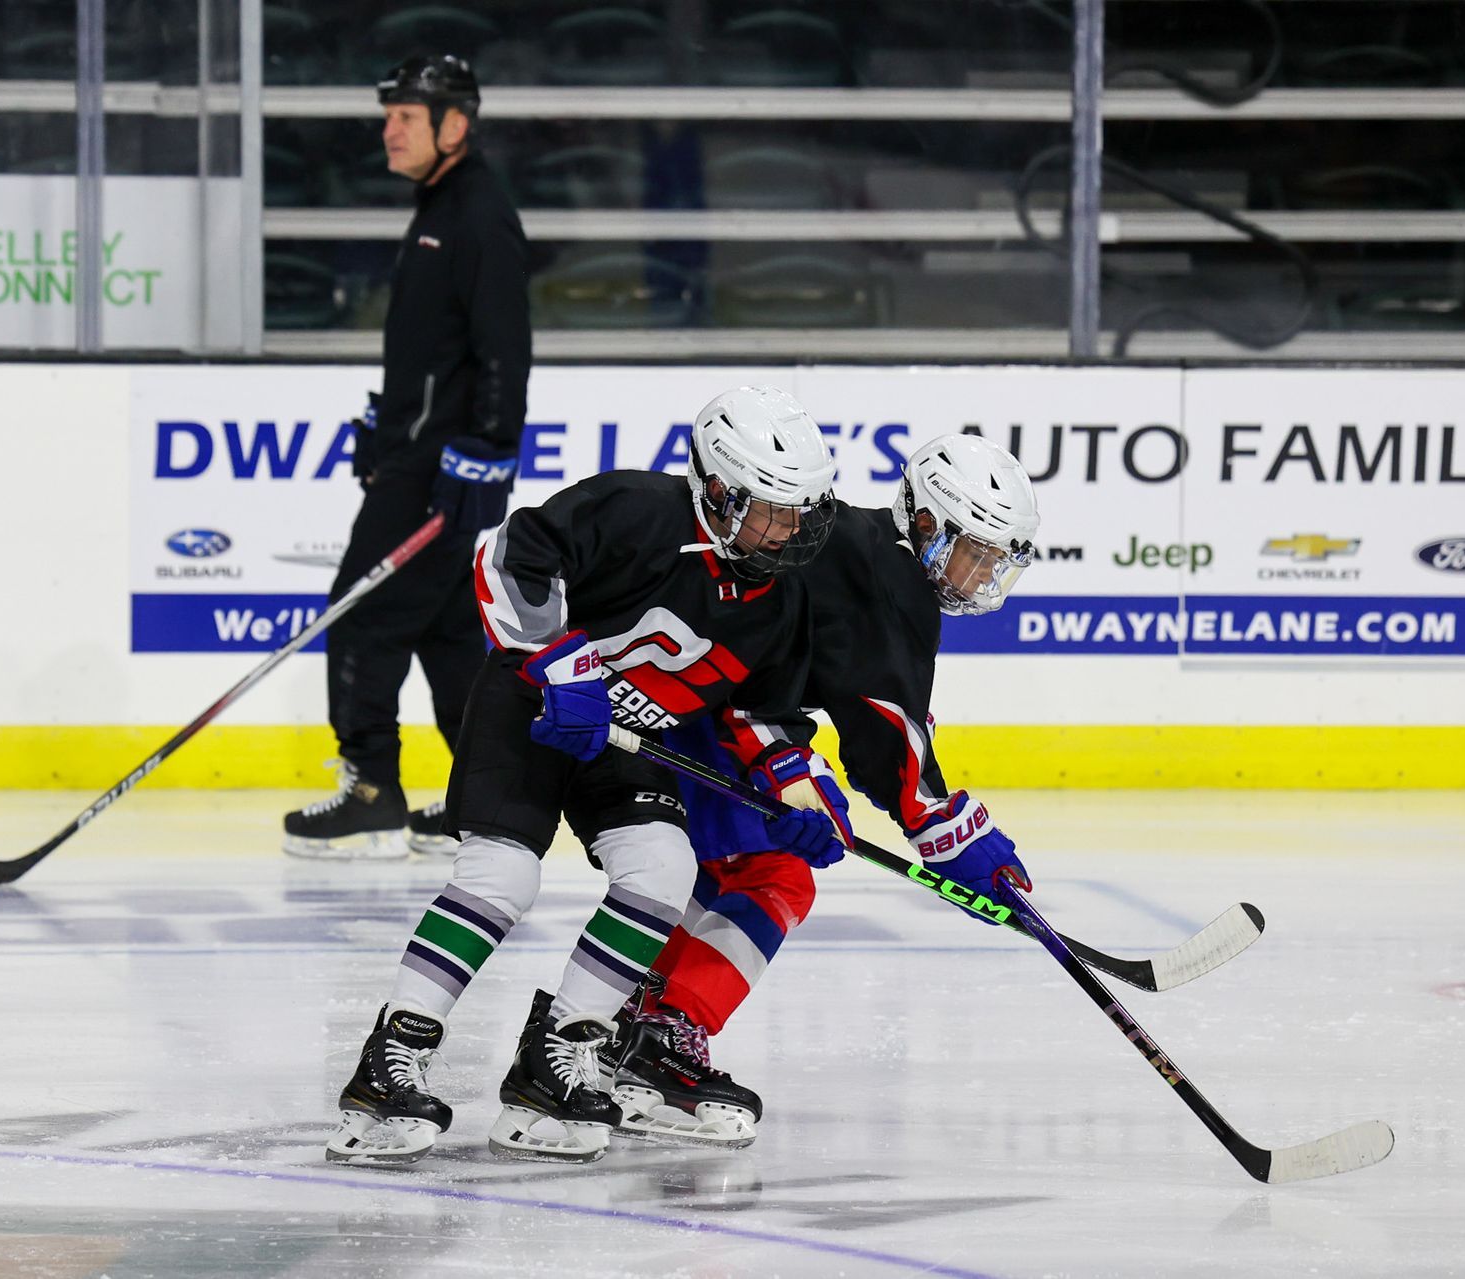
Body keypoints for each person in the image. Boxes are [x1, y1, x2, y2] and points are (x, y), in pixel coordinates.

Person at [324, 387, 853, 1167]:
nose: (785, 529)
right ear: (714, 485)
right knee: (502, 877)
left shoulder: (777, 597)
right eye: (767, 508)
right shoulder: (639, 509)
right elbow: (508, 555)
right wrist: (565, 668)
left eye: (796, 511)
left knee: (664, 869)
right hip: (534, 705)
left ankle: (556, 1059)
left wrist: (794, 793)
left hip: (628, 742)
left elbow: (762, 711)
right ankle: (390, 1059)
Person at [602, 434, 1042, 1148]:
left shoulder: (869, 550)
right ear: (927, 524)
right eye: (978, 550)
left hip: (685, 693)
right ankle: (664, 1036)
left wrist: (920, 807)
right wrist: (946, 830)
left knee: (724, 870)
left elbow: (884, 716)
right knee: (776, 873)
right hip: (707, 706)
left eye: (998, 559)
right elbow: (883, 730)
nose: (986, 571)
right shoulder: (888, 578)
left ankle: (628, 1020)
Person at [283, 54, 531, 861]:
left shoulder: (477, 214)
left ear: (454, 125)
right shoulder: (441, 207)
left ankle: (371, 792)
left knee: (359, 615)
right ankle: (484, 802)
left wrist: (488, 452)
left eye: (406, 116)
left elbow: (504, 349)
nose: (389, 129)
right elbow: (437, 353)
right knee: (451, 634)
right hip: (419, 458)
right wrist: (387, 423)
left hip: (437, 476)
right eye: (388, 114)